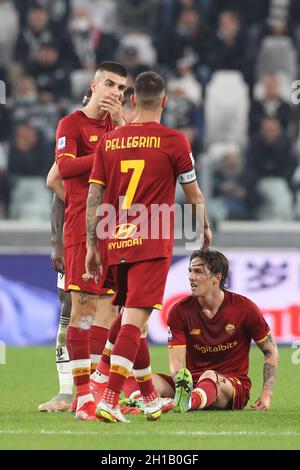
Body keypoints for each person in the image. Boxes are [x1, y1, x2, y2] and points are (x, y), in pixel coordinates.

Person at [85, 71, 212, 423]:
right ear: (165, 102)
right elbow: (193, 194)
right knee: (134, 321)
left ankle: (150, 398)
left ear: (132, 101)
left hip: (114, 236)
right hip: (151, 240)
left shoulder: (109, 142)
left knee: (131, 319)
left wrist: (92, 243)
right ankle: (108, 397)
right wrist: (203, 225)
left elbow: (94, 195)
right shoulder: (175, 141)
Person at [40, 62, 127, 420]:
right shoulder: (71, 125)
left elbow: (139, 160)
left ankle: (95, 392)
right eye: (110, 84)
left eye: (122, 88)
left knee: (110, 312)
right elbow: (63, 169)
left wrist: (123, 125)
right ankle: (78, 394)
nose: (115, 93)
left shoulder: (120, 126)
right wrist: (56, 241)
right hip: (83, 230)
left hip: (117, 230)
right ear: (94, 84)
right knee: (81, 311)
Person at [124, 249, 279, 412]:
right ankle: (141, 404)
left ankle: (186, 403)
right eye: (190, 271)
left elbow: (271, 351)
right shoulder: (179, 311)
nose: (191, 277)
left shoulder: (244, 308)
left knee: (210, 375)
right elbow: (176, 364)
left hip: (231, 386)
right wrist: (181, 382)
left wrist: (266, 395)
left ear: (217, 277)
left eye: (198, 271)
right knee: (140, 379)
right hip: (192, 384)